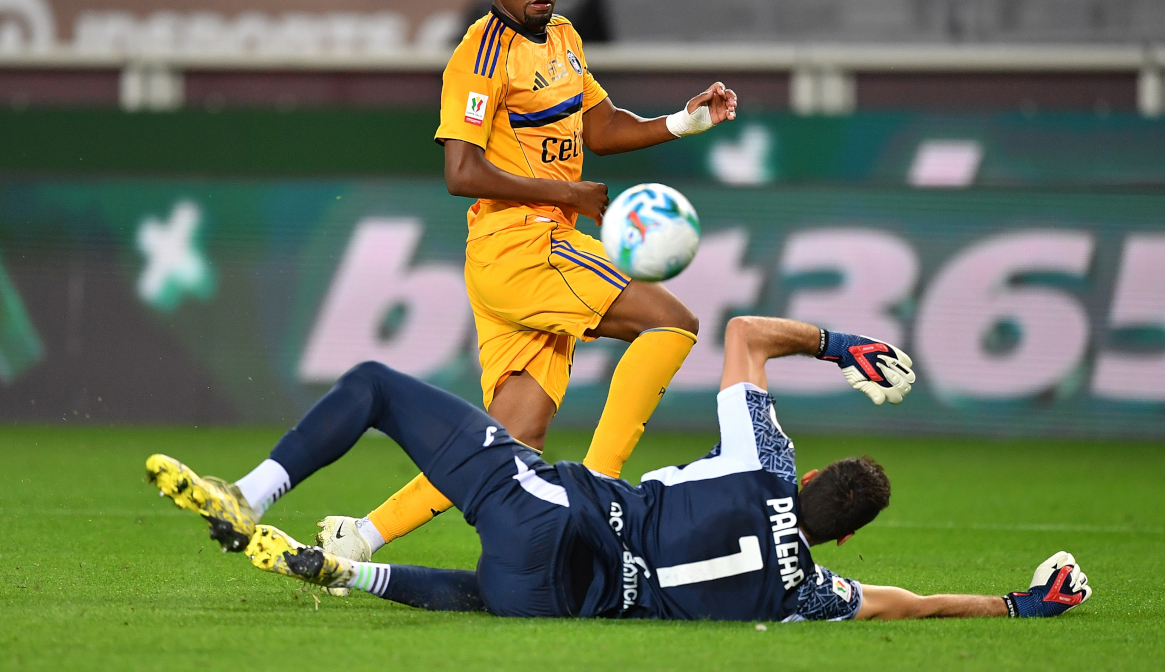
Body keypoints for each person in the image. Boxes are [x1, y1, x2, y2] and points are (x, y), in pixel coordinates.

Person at [145, 319, 1090, 621]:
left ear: (809, 485)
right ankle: (351, 570)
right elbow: (905, 603)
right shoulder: (809, 591)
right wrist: (1017, 604)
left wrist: (841, 346)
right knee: (487, 596)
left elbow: (744, 335)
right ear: (838, 534)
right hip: (567, 601)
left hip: (551, 513)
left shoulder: (766, 463)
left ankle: (256, 491)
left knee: (377, 386)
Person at [309, 0, 740, 570]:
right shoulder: (481, 56)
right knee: (673, 324)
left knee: (511, 439)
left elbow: (601, 126)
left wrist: (685, 120)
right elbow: (461, 173)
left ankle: (360, 538)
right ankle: (602, 496)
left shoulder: (564, 38)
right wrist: (564, 196)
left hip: (539, 245)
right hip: (521, 245)